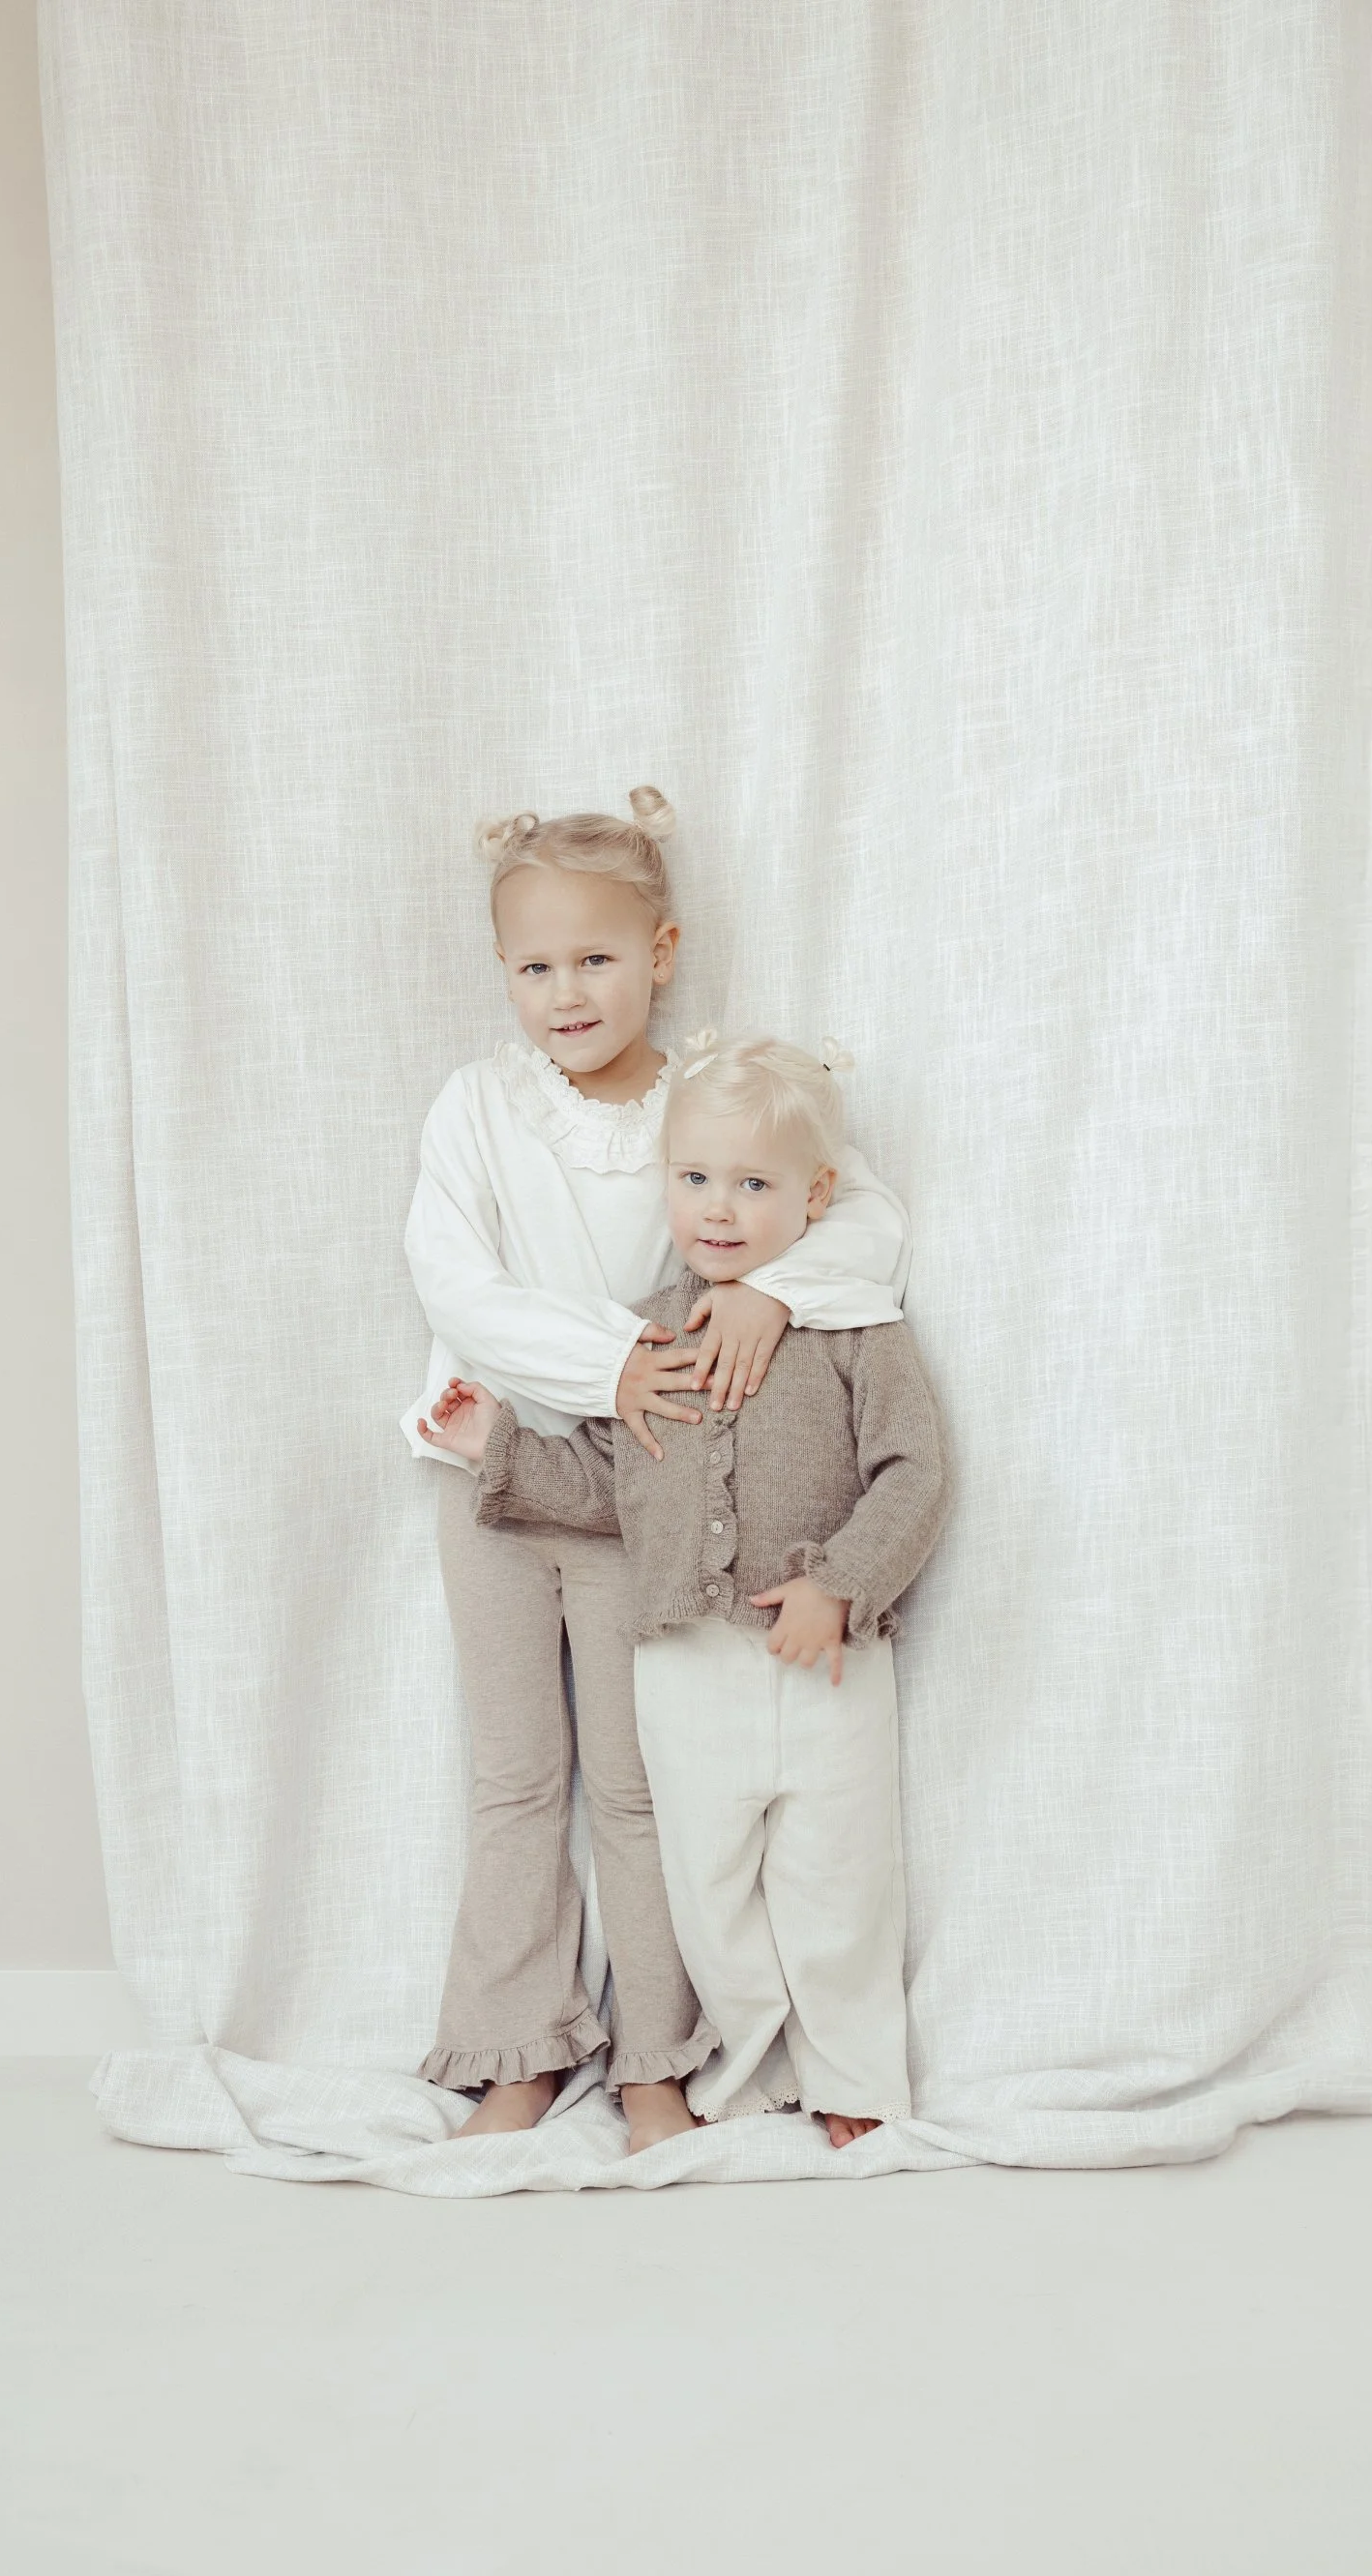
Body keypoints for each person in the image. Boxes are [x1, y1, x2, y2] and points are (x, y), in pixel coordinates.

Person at [403, 792, 910, 2150]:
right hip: (497, 1474)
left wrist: (777, 1297)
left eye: (597, 959)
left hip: (647, 1490)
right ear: (504, 973)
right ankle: (516, 2043)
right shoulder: (478, 1107)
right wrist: (618, 1363)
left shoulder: (710, 1099)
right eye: (535, 966)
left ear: (663, 950)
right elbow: (457, 1284)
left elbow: (859, 1215)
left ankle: (651, 2058)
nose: (567, 992)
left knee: (639, 1789)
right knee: (517, 1777)